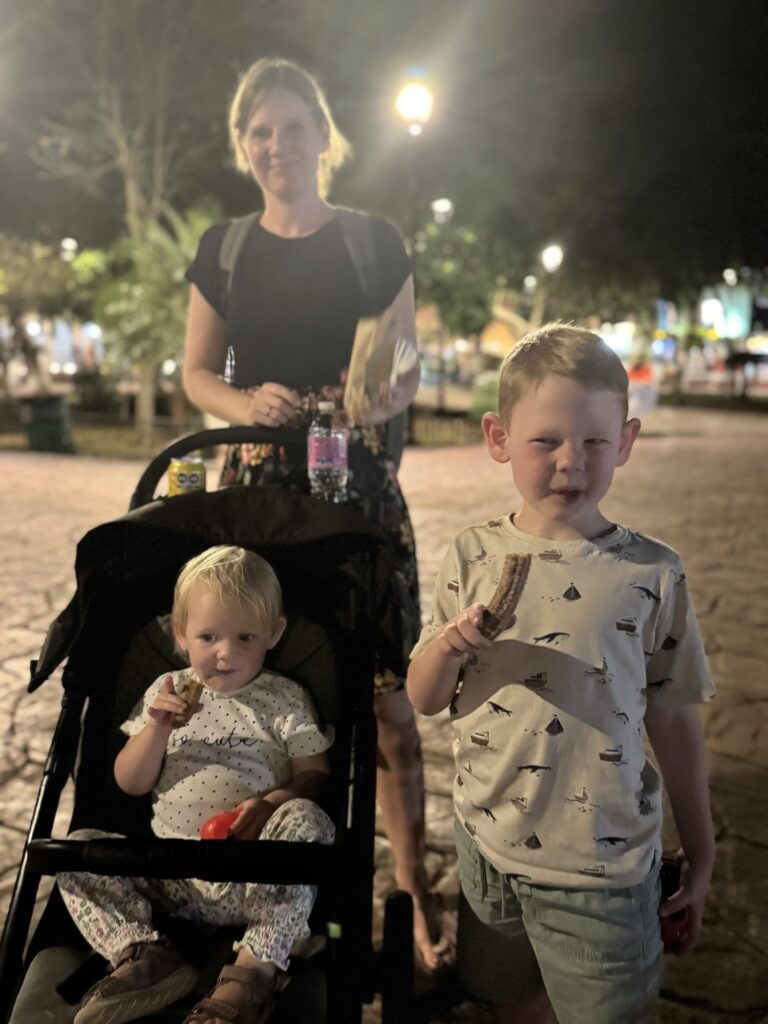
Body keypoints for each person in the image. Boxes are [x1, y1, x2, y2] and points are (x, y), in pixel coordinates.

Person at [182, 57, 452, 970]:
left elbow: (404, 361)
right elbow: (196, 371)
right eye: (260, 131)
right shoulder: (224, 248)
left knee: (386, 705)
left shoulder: (372, 242)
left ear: (323, 137)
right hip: (258, 487)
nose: (278, 145)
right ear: (242, 144)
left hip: (354, 483)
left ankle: (412, 891)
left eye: (294, 127)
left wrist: (383, 391)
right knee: (261, 679)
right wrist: (243, 400)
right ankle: (270, 883)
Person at [407, 323, 716, 1023]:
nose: (570, 462)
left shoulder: (652, 574)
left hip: (600, 873)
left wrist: (701, 856)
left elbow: (674, 721)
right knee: (510, 1001)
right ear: (499, 438)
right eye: (545, 440)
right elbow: (425, 698)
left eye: (594, 442)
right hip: (487, 849)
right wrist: (450, 646)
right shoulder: (472, 555)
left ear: (626, 442)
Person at [58, 545, 335, 1024]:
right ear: (181, 634)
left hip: (256, 875)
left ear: (274, 633)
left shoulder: (284, 698)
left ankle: (254, 969)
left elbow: (315, 773)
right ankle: (147, 952)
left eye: (244, 637)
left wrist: (271, 803)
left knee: (307, 820)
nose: (225, 652)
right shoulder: (165, 692)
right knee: (76, 853)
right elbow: (130, 783)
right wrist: (157, 729)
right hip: (173, 880)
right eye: (209, 636)